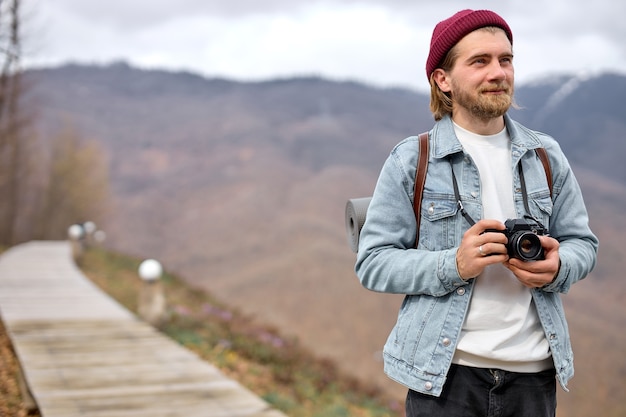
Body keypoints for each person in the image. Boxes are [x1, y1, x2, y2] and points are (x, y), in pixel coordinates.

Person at [355, 9, 598, 417]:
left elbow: (583, 245)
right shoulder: (412, 160)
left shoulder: (545, 155)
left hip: (534, 376)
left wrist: (559, 266)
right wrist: (454, 264)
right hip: (447, 378)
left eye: (506, 59)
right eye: (479, 61)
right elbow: (373, 263)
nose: (498, 72)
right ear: (443, 79)